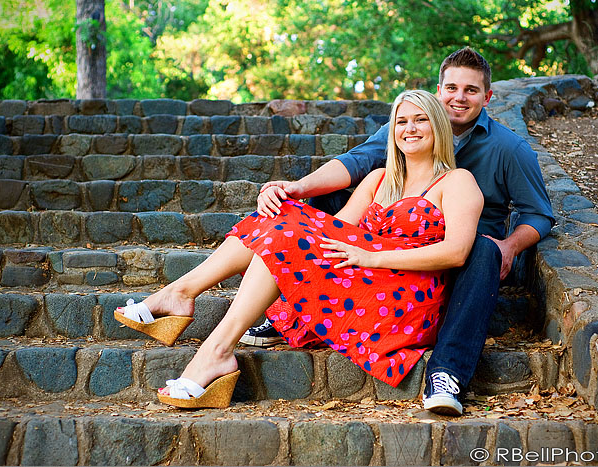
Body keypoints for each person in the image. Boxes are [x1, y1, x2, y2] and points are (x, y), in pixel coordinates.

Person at [115, 90, 484, 409]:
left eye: (421, 120)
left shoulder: (457, 182)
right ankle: (199, 325)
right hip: (364, 280)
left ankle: (191, 313)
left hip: (407, 297)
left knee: (285, 232)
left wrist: (373, 257)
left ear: (438, 125)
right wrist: (285, 206)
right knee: (282, 228)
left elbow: (456, 253)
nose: (410, 128)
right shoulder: (378, 180)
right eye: (402, 121)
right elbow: (335, 230)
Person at [248, 47, 555, 415]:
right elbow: (358, 161)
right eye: (452, 88)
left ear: (487, 97)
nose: (459, 97)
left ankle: (446, 373)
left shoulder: (509, 148)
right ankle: (298, 307)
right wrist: (298, 188)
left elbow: (538, 214)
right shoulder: (410, 124)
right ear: (439, 91)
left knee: (482, 249)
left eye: (471, 90)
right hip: (395, 241)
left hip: (461, 256)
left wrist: (510, 245)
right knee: (310, 206)